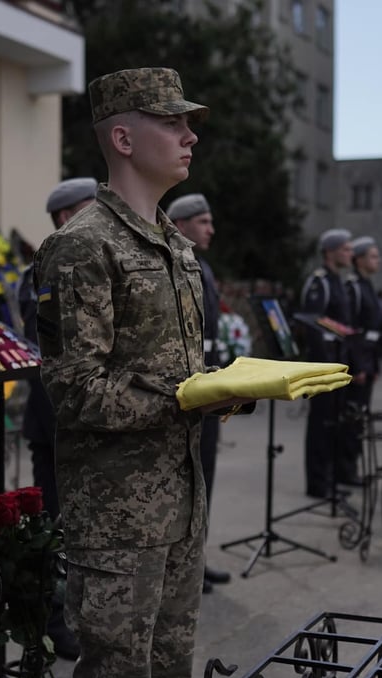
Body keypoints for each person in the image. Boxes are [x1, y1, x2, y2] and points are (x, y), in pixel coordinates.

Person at [32, 67, 249, 678]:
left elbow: (173, 372)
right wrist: (188, 399)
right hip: (118, 518)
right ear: (122, 138)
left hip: (178, 503)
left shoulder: (174, 247)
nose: (189, 136)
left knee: (167, 672)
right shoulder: (82, 245)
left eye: (187, 124)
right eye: (171, 122)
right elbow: (76, 392)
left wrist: (226, 387)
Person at [18, 176, 97, 662]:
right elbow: (48, 345)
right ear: (66, 216)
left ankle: (76, 615)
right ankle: (50, 621)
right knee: (55, 528)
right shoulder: (49, 267)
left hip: (83, 429)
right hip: (55, 430)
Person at [167, 191, 231, 594]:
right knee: (184, 481)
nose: (210, 229)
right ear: (182, 223)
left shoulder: (200, 266)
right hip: (186, 388)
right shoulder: (172, 262)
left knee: (204, 478)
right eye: (203, 222)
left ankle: (196, 559)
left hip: (208, 383)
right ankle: (180, 567)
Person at [300, 228, 361, 498]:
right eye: (346, 249)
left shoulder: (339, 281)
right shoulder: (320, 282)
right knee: (321, 425)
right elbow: (311, 324)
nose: (350, 254)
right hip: (324, 367)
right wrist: (324, 367)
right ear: (330, 252)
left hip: (339, 365)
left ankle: (332, 478)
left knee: (335, 423)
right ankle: (318, 483)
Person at [344, 236, 382, 470]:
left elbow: (375, 332)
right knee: (353, 418)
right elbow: (352, 331)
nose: (378, 261)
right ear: (358, 260)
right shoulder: (354, 287)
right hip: (358, 362)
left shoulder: (368, 286)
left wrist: (374, 365)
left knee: (361, 417)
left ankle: (354, 464)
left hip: (369, 360)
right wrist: (357, 366)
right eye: (373, 256)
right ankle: (347, 467)